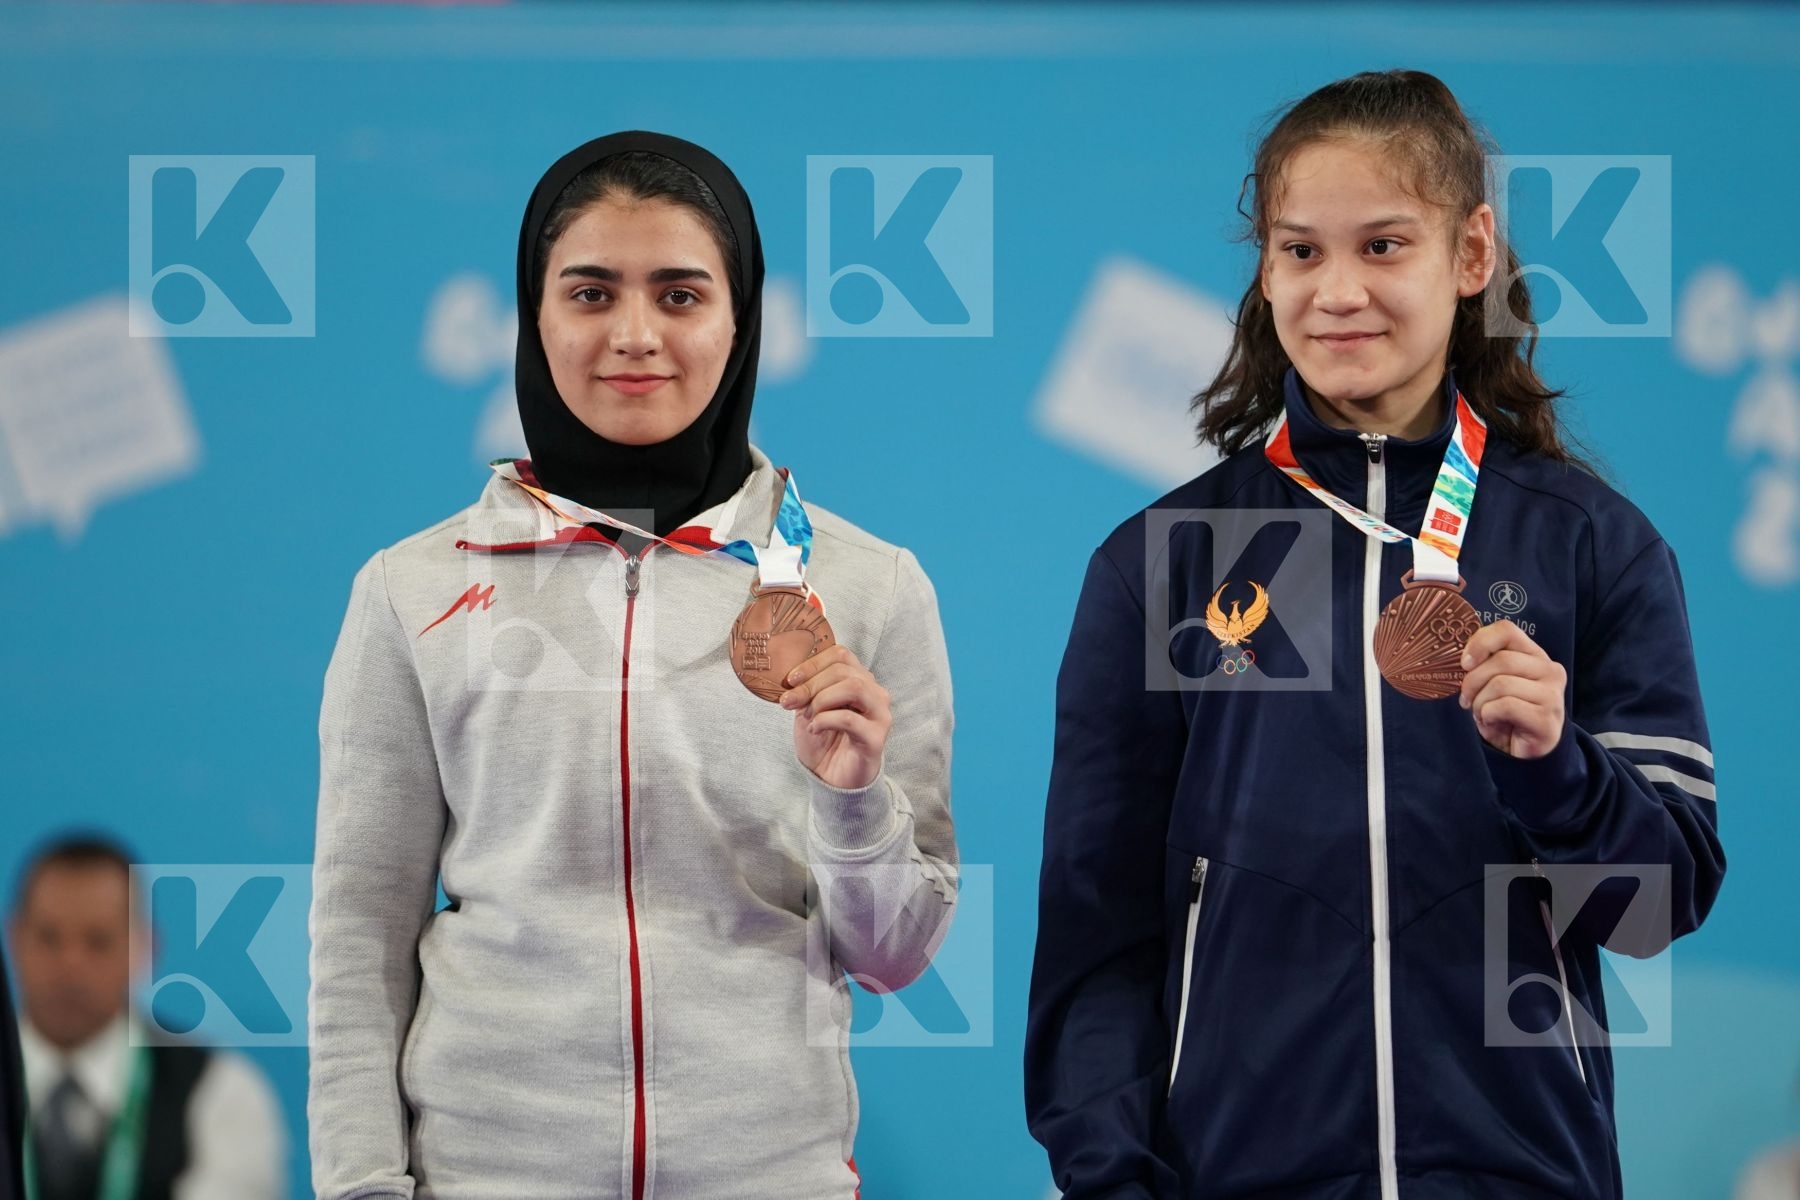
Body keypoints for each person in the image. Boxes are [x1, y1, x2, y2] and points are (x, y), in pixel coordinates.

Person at [1025, 69, 1724, 1199]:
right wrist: (1114, 1181)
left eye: (1384, 245)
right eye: (1301, 251)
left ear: (1472, 253)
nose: (1338, 291)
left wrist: (1559, 771)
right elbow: (1095, 945)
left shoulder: (1590, 545)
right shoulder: (1166, 564)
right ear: (1265, 269)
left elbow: (1655, 911)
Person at [307, 131, 958, 1200]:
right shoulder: (409, 589)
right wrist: (364, 1184)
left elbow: (895, 955)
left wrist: (850, 804)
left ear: (740, 320)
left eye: (682, 295)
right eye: (593, 293)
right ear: (536, 316)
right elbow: (358, 931)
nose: (636, 336)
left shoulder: (870, 585)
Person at [7, 835, 286, 1200]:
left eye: (98, 941)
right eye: (49, 938)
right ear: (13, 940)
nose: (69, 965)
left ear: (143, 948)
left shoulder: (219, 1092)